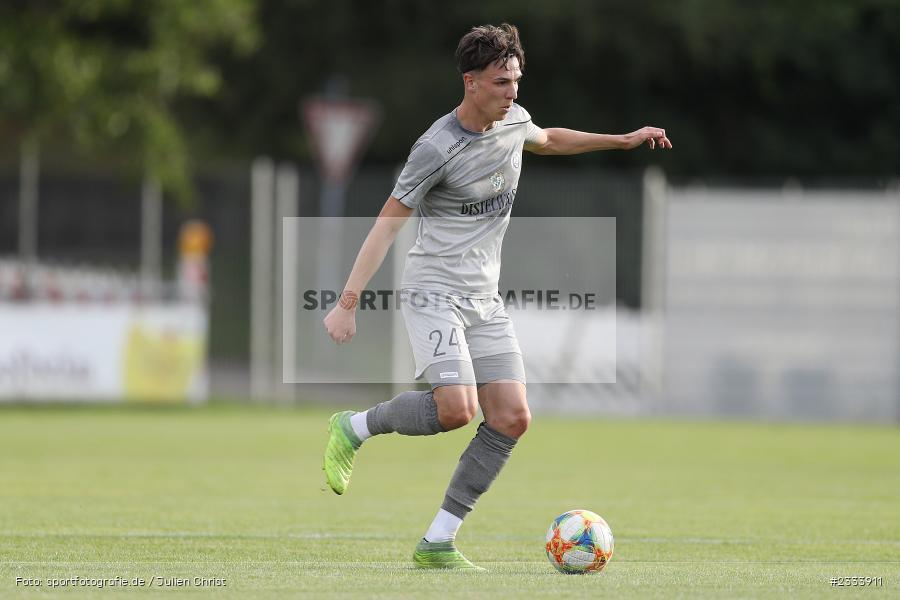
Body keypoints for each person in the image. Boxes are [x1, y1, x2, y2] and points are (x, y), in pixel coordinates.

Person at [322, 23, 671, 571]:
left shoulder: (513, 119)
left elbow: (550, 139)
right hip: (432, 290)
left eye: (516, 79)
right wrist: (347, 302)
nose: (513, 91)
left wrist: (621, 140)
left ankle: (437, 542)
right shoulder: (435, 148)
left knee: (510, 416)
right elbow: (386, 226)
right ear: (471, 83)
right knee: (457, 409)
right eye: (502, 81)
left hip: (484, 299)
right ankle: (354, 427)